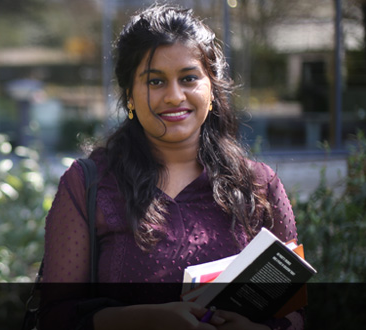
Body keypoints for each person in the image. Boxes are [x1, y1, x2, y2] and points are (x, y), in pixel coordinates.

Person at [39, 5, 301, 330]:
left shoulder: (259, 185)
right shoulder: (87, 184)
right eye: (155, 81)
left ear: (212, 89)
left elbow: (295, 313)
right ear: (129, 95)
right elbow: (55, 317)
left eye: (189, 78)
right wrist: (146, 319)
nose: (174, 96)